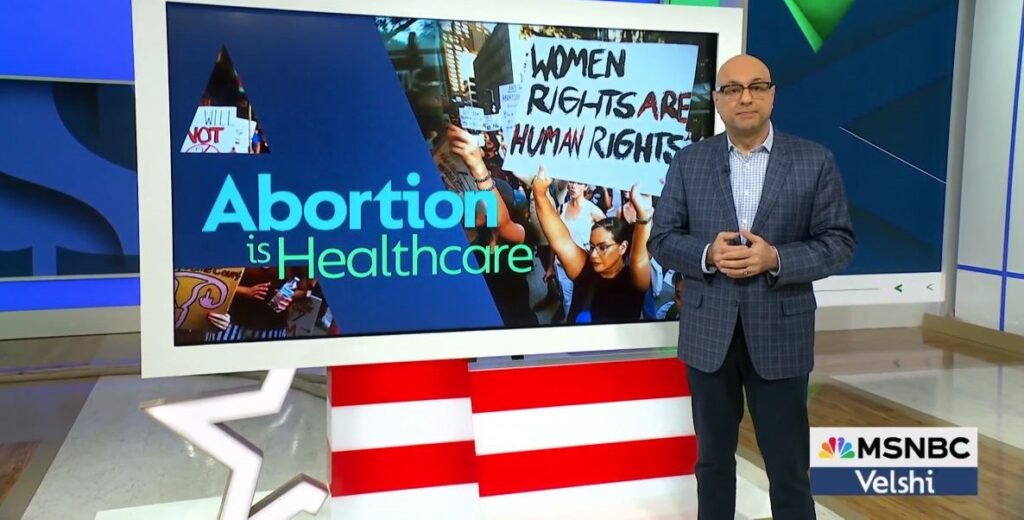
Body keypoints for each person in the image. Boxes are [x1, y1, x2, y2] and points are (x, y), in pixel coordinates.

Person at [647, 54, 855, 520]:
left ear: (773, 94)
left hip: (781, 335)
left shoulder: (814, 161)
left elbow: (838, 243)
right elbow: (662, 238)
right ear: (718, 101)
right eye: (734, 88)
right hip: (708, 337)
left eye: (758, 86)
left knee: (789, 468)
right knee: (713, 461)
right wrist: (707, 255)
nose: (746, 97)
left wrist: (776, 257)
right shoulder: (689, 162)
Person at [533, 169, 654, 324]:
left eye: (603, 247)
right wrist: (540, 195)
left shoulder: (634, 280)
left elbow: (639, 259)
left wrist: (643, 218)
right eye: (591, 247)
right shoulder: (584, 270)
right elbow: (561, 241)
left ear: (622, 247)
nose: (594, 255)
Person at [544, 181, 606, 322]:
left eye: (578, 183)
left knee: (584, 303)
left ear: (586, 187)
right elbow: (555, 239)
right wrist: (550, 266)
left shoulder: (593, 211)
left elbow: (608, 237)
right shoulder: (562, 208)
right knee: (567, 301)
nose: (573, 186)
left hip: (584, 267)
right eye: (571, 182)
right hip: (561, 266)